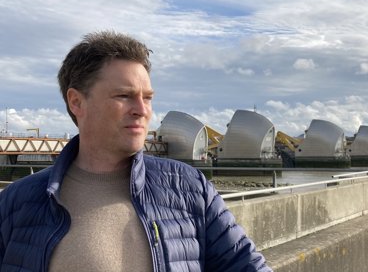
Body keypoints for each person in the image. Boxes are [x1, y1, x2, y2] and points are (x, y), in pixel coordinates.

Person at [0, 31, 272, 272]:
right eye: (124, 96)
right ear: (76, 102)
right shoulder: (18, 202)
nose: (142, 110)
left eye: (148, 97)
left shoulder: (190, 189)